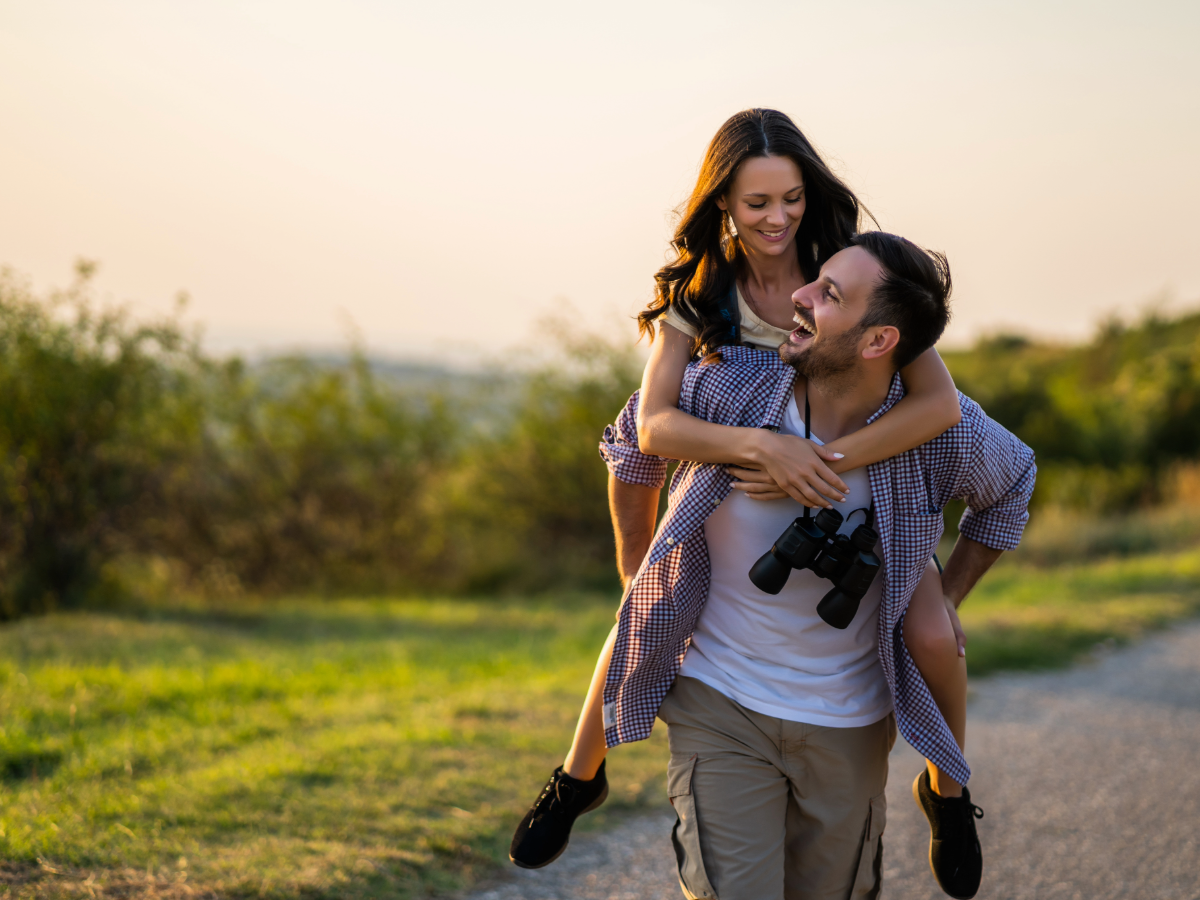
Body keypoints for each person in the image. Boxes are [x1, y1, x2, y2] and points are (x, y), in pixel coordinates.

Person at [510, 110, 969, 887]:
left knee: (931, 629)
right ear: (722, 201)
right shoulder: (702, 291)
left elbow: (940, 407)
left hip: (859, 477)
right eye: (757, 203)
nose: (778, 218)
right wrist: (764, 448)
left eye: (791, 197)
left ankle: (950, 790)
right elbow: (654, 426)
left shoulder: (845, 272)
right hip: (731, 463)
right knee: (642, 599)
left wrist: (821, 461)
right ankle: (578, 776)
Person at [607, 233, 1033, 899]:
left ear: (876, 341)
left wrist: (946, 597)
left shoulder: (937, 435)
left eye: (828, 294)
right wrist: (636, 567)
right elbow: (635, 434)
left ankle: (947, 793)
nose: (798, 295)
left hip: (849, 723)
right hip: (721, 704)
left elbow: (1013, 483)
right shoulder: (738, 390)